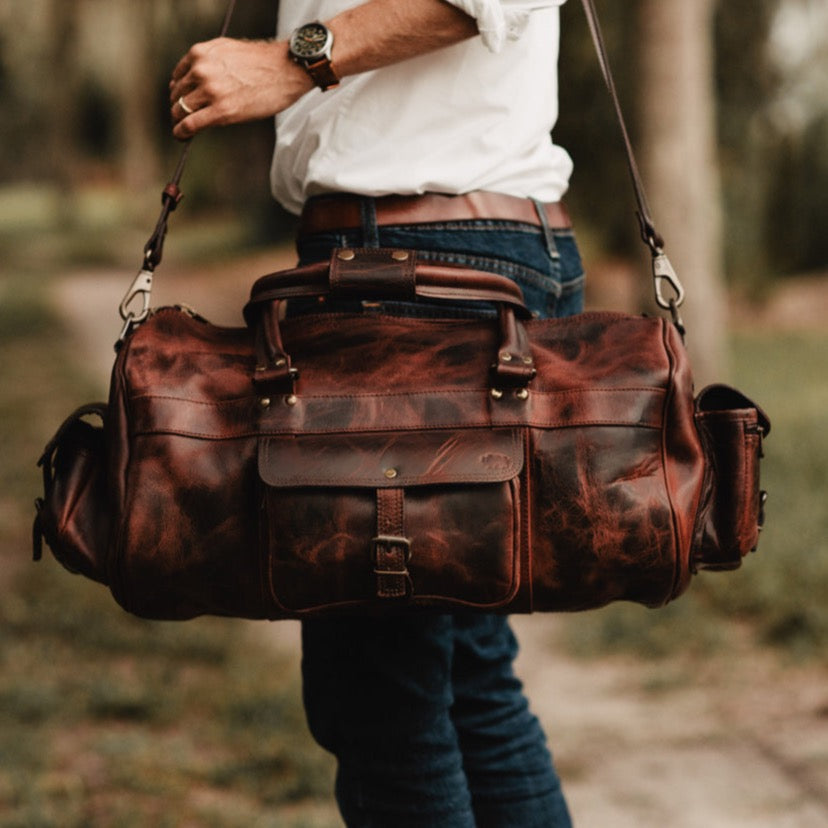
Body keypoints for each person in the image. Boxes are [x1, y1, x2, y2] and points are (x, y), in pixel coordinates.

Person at [170, 1, 582, 824]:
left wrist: (291, 61)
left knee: (382, 704)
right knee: (466, 680)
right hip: (460, 251)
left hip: (409, 268)